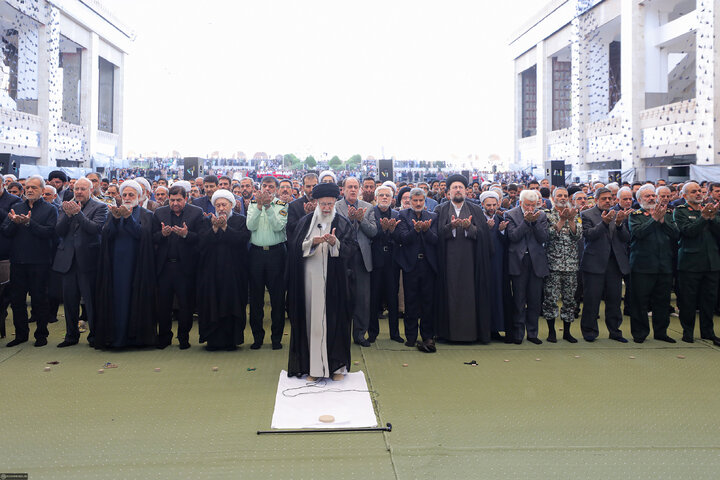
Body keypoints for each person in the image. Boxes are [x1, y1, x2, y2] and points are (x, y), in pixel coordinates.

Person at [287, 182, 357, 380]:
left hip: (335, 283)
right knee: (313, 323)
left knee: (335, 321)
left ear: (335, 202)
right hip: (310, 281)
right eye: (323, 204)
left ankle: (336, 367)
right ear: (316, 202)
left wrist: (336, 243)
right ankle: (314, 369)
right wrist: (312, 243)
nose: (326, 208)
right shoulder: (306, 222)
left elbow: (352, 250)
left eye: (330, 204)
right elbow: (294, 249)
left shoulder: (342, 223)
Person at [93, 180, 157, 348]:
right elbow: (107, 235)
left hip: (136, 267)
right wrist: (115, 219)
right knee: (115, 300)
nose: (128, 198)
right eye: (125, 195)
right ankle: (115, 338)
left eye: (131, 195)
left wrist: (128, 219)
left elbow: (142, 236)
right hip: (115, 267)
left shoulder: (146, 215)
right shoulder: (113, 213)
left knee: (133, 300)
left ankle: (133, 339)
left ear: (140, 196)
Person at [434, 174, 493, 343]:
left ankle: (471, 335)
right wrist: (450, 227)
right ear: (448, 192)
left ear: (466, 191)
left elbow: (483, 236)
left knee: (470, 296)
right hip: (448, 262)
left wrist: (470, 228)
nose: (458, 190)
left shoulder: (475, 210)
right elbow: (435, 235)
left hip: (470, 262)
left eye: (460, 187)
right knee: (449, 294)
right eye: (454, 187)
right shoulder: (441, 209)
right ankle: (448, 334)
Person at [1, 175, 57, 347]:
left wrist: (28, 223)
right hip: (17, 261)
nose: (30, 190)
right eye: (28, 188)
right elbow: (5, 231)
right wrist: (14, 222)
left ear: (42, 189)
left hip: (39, 261)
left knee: (39, 299)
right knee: (17, 300)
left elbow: (49, 232)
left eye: (34, 187)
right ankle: (21, 334)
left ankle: (41, 335)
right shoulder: (17, 206)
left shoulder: (50, 209)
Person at [53, 177, 108, 347]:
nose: (79, 192)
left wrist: (78, 213)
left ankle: (95, 336)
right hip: (68, 261)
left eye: (83, 189)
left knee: (91, 302)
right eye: (76, 189)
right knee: (69, 302)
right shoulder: (66, 205)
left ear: (91, 190)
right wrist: (68, 215)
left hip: (88, 261)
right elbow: (58, 231)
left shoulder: (100, 206)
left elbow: (95, 229)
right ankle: (71, 336)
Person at [196, 190, 250, 351]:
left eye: (224, 205)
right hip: (211, 272)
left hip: (234, 273)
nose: (221, 208)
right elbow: (200, 243)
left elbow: (242, 240)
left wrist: (225, 227)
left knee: (232, 303)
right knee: (211, 303)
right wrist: (213, 228)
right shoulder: (207, 221)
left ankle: (231, 340)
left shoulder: (241, 220)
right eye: (218, 205)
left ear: (231, 205)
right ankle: (212, 340)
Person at [152, 185, 205, 349]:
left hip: (185, 267)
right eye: (172, 200)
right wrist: (163, 234)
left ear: (186, 198)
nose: (175, 203)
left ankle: (183, 337)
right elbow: (152, 237)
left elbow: (202, 238)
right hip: (164, 267)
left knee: (186, 305)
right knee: (163, 305)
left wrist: (186, 235)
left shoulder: (196, 213)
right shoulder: (159, 213)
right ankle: (164, 337)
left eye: (178, 200)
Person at [627, 184, 678, 343]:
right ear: (640, 199)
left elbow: (676, 234)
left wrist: (662, 221)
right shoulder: (635, 214)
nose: (651, 198)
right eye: (647, 196)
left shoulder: (668, 214)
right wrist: (654, 220)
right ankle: (640, 333)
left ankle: (661, 332)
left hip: (664, 265)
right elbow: (638, 233)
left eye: (653, 196)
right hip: (642, 266)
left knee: (662, 301)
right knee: (640, 302)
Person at [580, 187, 630, 342]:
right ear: (596, 200)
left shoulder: (618, 215)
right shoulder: (586, 214)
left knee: (614, 300)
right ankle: (589, 331)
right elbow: (589, 236)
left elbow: (626, 238)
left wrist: (620, 224)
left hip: (614, 264)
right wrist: (604, 223)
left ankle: (615, 331)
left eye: (610, 198)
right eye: (604, 199)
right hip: (594, 263)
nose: (608, 201)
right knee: (592, 300)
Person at [673, 182, 720, 345]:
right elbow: (688, 231)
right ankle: (688, 332)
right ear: (684, 196)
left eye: (700, 191)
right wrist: (704, 218)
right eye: (694, 192)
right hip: (690, 263)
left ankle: (708, 332)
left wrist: (712, 218)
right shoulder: (680, 212)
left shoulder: (713, 210)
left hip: (712, 263)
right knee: (688, 299)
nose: (698, 194)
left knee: (709, 299)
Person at [246, 176, 288, 350]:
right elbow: (250, 225)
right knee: (255, 298)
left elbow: (279, 227)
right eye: (265, 186)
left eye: (271, 187)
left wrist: (269, 207)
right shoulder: (252, 204)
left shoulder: (282, 205)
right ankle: (257, 337)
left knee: (277, 298)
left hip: (276, 253)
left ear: (276, 189)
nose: (267, 189)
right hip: (256, 254)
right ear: (260, 187)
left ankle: (276, 338)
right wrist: (259, 207)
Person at [335, 176, 377, 346]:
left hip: (361, 258)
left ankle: (360, 334)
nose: (353, 190)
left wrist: (360, 219)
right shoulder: (336, 207)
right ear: (343, 190)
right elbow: (336, 231)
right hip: (342, 256)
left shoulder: (368, 208)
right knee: (341, 296)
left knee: (362, 298)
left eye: (355, 187)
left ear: (359, 189)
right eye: (349, 187)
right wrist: (349, 220)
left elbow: (373, 232)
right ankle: (340, 334)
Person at [395, 188, 438, 353]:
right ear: (410, 201)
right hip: (410, 265)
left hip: (428, 265)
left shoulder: (433, 217)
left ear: (425, 201)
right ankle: (411, 337)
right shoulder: (403, 216)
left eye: (421, 201)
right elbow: (403, 239)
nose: (418, 203)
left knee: (428, 302)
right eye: (415, 201)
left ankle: (427, 336)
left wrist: (426, 231)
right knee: (411, 302)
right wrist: (416, 230)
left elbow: (436, 240)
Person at [505, 189, 549, 344]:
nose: (531, 208)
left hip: (536, 261)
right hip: (518, 261)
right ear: (521, 203)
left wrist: (534, 221)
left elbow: (543, 237)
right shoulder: (510, 214)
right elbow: (513, 236)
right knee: (518, 299)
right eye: (528, 205)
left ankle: (532, 333)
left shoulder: (542, 215)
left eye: (534, 205)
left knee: (535, 300)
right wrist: (525, 221)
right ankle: (518, 334)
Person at [541, 187, 581, 343]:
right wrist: (562, 220)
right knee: (550, 299)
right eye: (560, 195)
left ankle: (567, 332)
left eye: (565, 195)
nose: (563, 198)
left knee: (570, 300)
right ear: (553, 197)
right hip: (553, 264)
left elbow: (578, 235)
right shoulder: (546, 214)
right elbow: (547, 236)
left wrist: (570, 220)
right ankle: (551, 332)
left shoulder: (574, 214)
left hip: (571, 265)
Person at [368, 184, 403, 343]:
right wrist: (383, 230)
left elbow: (400, 238)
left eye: (387, 196)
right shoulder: (370, 213)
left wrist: (392, 230)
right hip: (375, 260)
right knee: (373, 297)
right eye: (381, 195)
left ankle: (394, 333)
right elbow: (371, 235)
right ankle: (373, 333)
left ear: (392, 199)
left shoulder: (397, 214)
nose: (384, 198)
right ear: (376, 198)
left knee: (392, 298)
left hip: (392, 261)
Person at [287, 173, 318, 238]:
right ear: (303, 188)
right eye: (308, 186)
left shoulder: (324, 203)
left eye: (314, 186)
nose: (312, 189)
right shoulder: (294, 206)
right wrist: (307, 216)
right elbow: (292, 228)